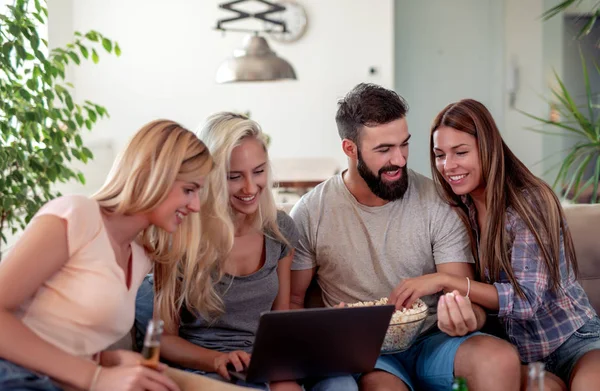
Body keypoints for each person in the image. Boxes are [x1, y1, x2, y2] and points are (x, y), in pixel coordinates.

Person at [289, 83, 522, 391]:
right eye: (384, 150)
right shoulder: (310, 211)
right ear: (350, 148)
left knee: (499, 358)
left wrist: (470, 318)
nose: (399, 160)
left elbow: (465, 296)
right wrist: (330, 329)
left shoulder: (437, 199)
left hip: (436, 340)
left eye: (404, 145)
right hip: (368, 354)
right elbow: (292, 301)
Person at [392, 98, 600, 390]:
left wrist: (442, 280)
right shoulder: (458, 209)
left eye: (460, 152)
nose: (448, 166)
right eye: (440, 155)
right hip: (522, 354)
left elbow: (526, 300)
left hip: (574, 340)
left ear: (487, 148)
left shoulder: (530, 202)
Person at [0, 119, 213, 391]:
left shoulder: (140, 257)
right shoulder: (77, 215)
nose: (195, 206)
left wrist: (107, 360)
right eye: (189, 190)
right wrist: (95, 376)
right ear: (155, 175)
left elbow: (65, 334)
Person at [136, 112, 302, 391]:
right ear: (208, 177)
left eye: (259, 172)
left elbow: (280, 322)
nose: (250, 188)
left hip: (261, 366)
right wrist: (217, 359)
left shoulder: (279, 229)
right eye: (234, 177)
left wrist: (281, 373)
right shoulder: (180, 234)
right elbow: (164, 339)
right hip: (203, 368)